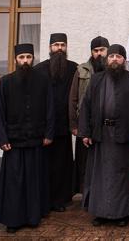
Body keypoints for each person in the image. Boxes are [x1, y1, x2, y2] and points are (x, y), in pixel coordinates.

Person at [79, 44, 129, 227]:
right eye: (112, 56)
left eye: (119, 56)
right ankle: (100, 213)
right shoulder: (97, 79)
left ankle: (121, 214)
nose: (115, 59)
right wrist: (85, 132)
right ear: (107, 59)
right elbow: (86, 107)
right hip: (101, 134)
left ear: (124, 60)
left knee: (122, 175)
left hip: (125, 135)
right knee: (100, 175)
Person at [0, 44, 54, 233]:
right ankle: (13, 220)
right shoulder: (6, 82)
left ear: (33, 58)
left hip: (36, 140)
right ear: (15, 60)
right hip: (14, 142)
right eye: (22, 57)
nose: (25, 61)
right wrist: (1, 138)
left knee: (34, 181)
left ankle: (33, 217)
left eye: (28, 57)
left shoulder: (43, 80)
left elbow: (50, 109)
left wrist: (48, 134)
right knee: (14, 182)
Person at [34, 33, 78, 212]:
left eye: (62, 45)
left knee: (62, 164)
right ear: (50, 47)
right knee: (45, 165)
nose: (59, 48)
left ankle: (61, 199)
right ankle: (45, 198)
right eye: (56, 45)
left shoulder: (74, 68)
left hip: (64, 126)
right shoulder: (39, 70)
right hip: (44, 127)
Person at [69, 35, 109, 196]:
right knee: (85, 164)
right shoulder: (81, 70)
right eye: (96, 50)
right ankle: (87, 195)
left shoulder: (114, 69)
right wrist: (74, 125)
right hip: (85, 123)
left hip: (106, 126)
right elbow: (73, 98)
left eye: (102, 50)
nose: (99, 54)